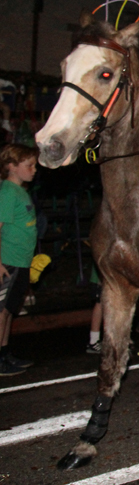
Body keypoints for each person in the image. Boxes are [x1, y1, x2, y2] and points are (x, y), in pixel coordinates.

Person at [0, 144, 40, 375]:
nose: (34, 169)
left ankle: (4, 353)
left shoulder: (20, 191)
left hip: (21, 261)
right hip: (8, 261)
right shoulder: (6, 191)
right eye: (29, 165)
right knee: (1, 311)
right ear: (11, 167)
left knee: (8, 311)